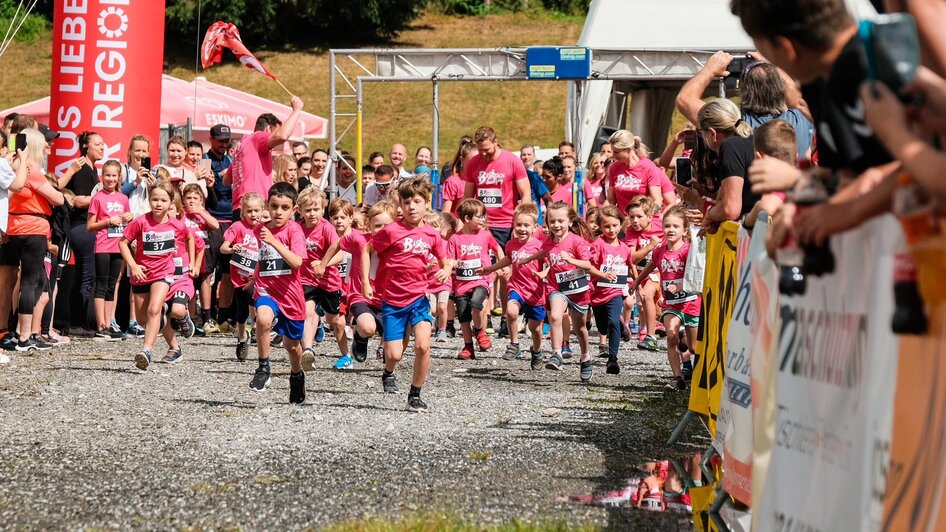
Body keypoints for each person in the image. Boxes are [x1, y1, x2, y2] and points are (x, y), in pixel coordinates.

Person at [362, 178, 451, 412]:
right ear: (400, 205)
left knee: (423, 346)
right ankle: (388, 372)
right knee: (395, 354)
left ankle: (415, 394)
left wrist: (446, 269)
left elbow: (446, 259)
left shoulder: (431, 234)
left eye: (417, 201)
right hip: (392, 301)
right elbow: (367, 248)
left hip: (418, 299)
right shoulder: (391, 231)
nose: (412, 207)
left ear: (426, 203)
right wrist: (365, 281)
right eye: (407, 202)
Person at [516, 202, 600, 382]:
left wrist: (571, 259)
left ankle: (585, 357)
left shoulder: (577, 241)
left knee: (580, 329)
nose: (556, 225)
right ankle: (557, 354)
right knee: (555, 316)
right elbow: (543, 252)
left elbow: (587, 265)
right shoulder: (548, 241)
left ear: (569, 222)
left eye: (560, 221)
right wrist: (527, 259)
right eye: (552, 221)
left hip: (577, 290)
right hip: (557, 287)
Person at [676, 50, 813, 158]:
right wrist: (772, 67)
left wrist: (710, 69)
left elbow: (685, 100)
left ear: (743, 91)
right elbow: (798, 100)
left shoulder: (732, 124)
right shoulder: (801, 118)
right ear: (779, 89)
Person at [120, 181, 193, 370]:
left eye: (163, 200)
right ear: (149, 200)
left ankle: (147, 351)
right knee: (145, 319)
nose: (158, 204)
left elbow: (190, 236)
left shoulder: (177, 225)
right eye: (154, 199)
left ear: (171, 203)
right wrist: (133, 265)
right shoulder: (141, 222)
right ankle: (173, 344)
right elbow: (122, 243)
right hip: (141, 274)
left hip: (164, 274)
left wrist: (193, 261)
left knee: (155, 309)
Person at [248, 182, 307, 404]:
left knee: (292, 347)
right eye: (274, 206)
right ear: (267, 206)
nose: (278, 212)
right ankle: (264, 367)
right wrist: (254, 274)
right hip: (266, 290)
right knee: (262, 319)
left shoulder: (294, 230)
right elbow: (262, 257)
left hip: (291, 296)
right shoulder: (259, 230)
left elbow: (297, 262)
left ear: (294, 210)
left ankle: (296, 374)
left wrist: (274, 241)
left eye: (284, 208)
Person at [7, 128, 65, 351]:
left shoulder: (14, 168)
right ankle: (24, 336)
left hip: (15, 226)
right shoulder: (32, 171)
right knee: (31, 282)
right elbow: (58, 198)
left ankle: (26, 331)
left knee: (37, 280)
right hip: (33, 228)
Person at [630, 205, 700, 390]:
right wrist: (637, 281)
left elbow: (698, 276)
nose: (670, 230)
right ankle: (678, 378)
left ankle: (697, 368)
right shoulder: (660, 250)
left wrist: (681, 286)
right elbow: (651, 265)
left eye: (675, 227)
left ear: (684, 230)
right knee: (670, 335)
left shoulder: (688, 251)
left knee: (694, 347)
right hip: (671, 303)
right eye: (667, 226)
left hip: (691, 302)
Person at [322, 200, 394, 366]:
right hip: (361, 295)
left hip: (388, 297)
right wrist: (322, 264)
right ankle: (360, 338)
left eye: (387, 226)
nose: (382, 230)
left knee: (393, 337)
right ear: (368, 225)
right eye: (377, 226)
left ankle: (386, 356)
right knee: (368, 328)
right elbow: (337, 244)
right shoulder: (359, 239)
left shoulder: (396, 245)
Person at [479, 203, 546, 367]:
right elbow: (508, 259)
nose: (522, 229)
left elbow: (549, 262)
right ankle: (514, 344)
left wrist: (544, 273)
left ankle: (536, 350)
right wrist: (490, 268)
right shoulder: (511, 244)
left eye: (526, 225)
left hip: (535, 291)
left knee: (535, 329)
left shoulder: (540, 246)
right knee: (510, 310)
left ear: (534, 227)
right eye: (518, 225)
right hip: (517, 286)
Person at [296, 186, 350, 371]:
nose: (312, 214)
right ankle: (308, 351)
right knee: (307, 312)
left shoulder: (326, 228)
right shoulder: (297, 228)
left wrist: (323, 264)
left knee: (336, 321)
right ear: (300, 210)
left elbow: (340, 255)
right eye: (308, 210)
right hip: (305, 280)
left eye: (316, 209)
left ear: (323, 208)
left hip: (329, 281)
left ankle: (345, 355)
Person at [228, 96, 304, 222]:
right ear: (268, 128)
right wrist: (296, 110)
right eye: (275, 131)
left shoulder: (241, 147)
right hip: (255, 208)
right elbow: (282, 135)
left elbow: (227, 179)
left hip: (240, 208)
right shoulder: (257, 138)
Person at [58, 130, 105, 332]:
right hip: (81, 227)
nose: (102, 147)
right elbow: (77, 199)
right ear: (86, 146)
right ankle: (77, 322)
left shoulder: (92, 168)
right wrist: (105, 199)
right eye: (98, 144)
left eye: (103, 144)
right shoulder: (83, 168)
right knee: (86, 276)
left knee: (86, 276)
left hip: (86, 227)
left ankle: (79, 321)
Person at [448, 198, 502, 360]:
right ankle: (468, 347)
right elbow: (450, 260)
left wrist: (503, 263)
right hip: (461, 284)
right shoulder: (455, 239)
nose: (483, 220)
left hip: (481, 280)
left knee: (476, 304)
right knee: (464, 317)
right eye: (479, 216)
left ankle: (479, 331)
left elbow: (497, 248)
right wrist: (454, 264)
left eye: (484, 216)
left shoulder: (485, 235)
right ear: (466, 219)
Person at [462, 126, 532, 250]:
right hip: (481, 225)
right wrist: (467, 223)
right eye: (480, 150)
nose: (483, 154)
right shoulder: (473, 163)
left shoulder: (513, 161)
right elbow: (468, 198)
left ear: (496, 142)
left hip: (506, 225)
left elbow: (526, 194)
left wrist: (518, 224)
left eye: (486, 149)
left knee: (506, 267)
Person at [696, 98, 757, 232]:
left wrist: (710, 214)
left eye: (701, 132)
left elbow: (730, 209)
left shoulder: (731, 146)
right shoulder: (750, 141)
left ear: (712, 133)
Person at [88, 160, 132, 340]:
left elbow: (128, 224)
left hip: (118, 246)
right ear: (102, 176)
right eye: (107, 175)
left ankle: (109, 323)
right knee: (102, 284)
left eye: (114, 175)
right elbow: (90, 225)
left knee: (112, 286)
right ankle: (100, 326)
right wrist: (108, 221)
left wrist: (130, 217)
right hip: (103, 246)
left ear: (119, 177)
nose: (111, 179)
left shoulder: (123, 198)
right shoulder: (97, 198)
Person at [589, 205, 633, 375]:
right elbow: (589, 266)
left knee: (613, 321)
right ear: (600, 227)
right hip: (597, 292)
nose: (611, 229)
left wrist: (635, 284)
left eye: (615, 225)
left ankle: (612, 359)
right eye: (606, 226)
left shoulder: (624, 248)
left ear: (621, 225)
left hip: (615, 292)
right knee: (602, 328)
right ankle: (622, 327)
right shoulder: (597, 244)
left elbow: (630, 265)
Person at [220, 193, 264, 362]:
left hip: (257, 277)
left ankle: (255, 329)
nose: (253, 214)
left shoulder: (265, 228)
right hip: (239, 277)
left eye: (257, 210)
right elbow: (223, 248)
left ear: (262, 211)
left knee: (256, 303)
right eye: (249, 211)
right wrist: (232, 248)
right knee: (241, 312)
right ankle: (242, 337)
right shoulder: (238, 227)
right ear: (243, 212)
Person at [624, 195, 663, 351]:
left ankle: (651, 336)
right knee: (649, 307)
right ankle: (650, 329)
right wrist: (649, 247)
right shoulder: (631, 232)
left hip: (660, 271)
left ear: (650, 217)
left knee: (647, 296)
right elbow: (632, 258)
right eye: (631, 217)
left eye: (639, 217)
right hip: (641, 273)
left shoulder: (661, 228)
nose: (635, 221)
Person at [182, 184, 220, 334]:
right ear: (183, 199)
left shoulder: (203, 213)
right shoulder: (181, 214)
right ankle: (189, 318)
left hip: (204, 251)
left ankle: (206, 317)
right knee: (189, 282)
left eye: (195, 198)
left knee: (205, 281)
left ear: (201, 199)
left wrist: (200, 211)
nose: (191, 201)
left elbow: (215, 225)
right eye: (188, 198)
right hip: (186, 251)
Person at [607, 130, 665, 216]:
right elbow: (611, 200)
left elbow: (657, 200)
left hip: (645, 222)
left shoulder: (648, 166)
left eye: (616, 152)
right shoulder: (614, 168)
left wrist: (643, 217)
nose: (613, 155)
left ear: (628, 149)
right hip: (623, 222)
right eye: (613, 151)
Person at [424, 211, 452, 343]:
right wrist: (427, 266)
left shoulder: (445, 243)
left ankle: (442, 330)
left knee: (442, 307)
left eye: (435, 226)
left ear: (440, 227)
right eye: (429, 226)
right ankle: (433, 324)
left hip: (443, 282)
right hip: (428, 283)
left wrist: (448, 268)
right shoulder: (423, 244)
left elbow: (451, 261)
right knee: (433, 309)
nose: (433, 229)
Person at [442, 138, 476, 215]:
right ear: (462, 160)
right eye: (471, 162)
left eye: (477, 162)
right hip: (459, 225)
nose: (475, 166)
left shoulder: (481, 180)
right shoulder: (453, 181)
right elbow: (446, 212)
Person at [520, 144, 552, 221]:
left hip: (536, 222)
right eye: (524, 155)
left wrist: (548, 220)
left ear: (534, 156)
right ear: (520, 156)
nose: (526, 157)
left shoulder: (534, 176)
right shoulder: (515, 175)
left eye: (529, 154)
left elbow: (548, 199)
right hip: (519, 222)